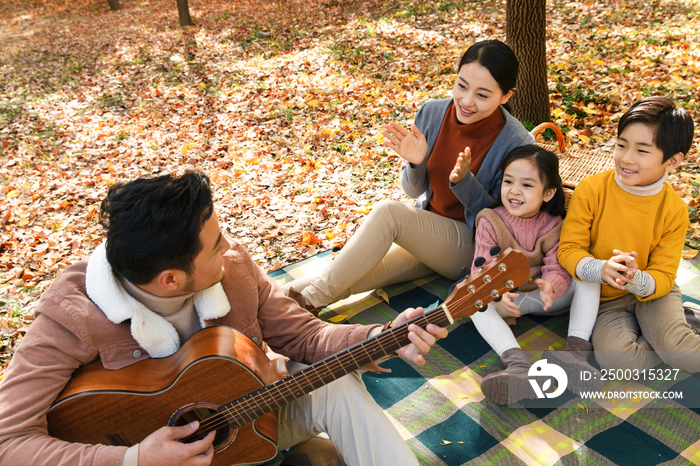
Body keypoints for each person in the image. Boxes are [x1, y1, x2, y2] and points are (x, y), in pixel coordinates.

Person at [0, 171, 448, 466]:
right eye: (214, 245)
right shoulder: (70, 313)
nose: (229, 247)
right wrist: (133, 458)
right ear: (171, 279)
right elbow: (9, 440)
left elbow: (305, 335)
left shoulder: (232, 268)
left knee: (336, 385)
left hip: (243, 422)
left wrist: (382, 335)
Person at [283, 39, 534, 312]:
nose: (467, 101)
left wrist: (465, 184)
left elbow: (503, 220)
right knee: (354, 271)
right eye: (462, 85)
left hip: (471, 245)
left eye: (483, 95)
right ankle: (274, 300)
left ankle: (310, 302)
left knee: (389, 214)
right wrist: (416, 163)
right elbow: (414, 192)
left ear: (507, 96)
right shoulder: (433, 112)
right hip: (428, 232)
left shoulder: (516, 143)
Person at [558, 96, 700, 373]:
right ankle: (675, 332)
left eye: (642, 151)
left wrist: (635, 279)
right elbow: (568, 250)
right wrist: (601, 269)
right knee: (618, 361)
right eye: (621, 145)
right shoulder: (591, 190)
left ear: (672, 161)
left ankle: (674, 337)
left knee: (685, 354)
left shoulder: (674, 211)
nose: (626, 158)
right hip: (606, 300)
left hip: (654, 294)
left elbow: (663, 275)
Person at [466, 145, 601, 404]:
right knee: (474, 301)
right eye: (508, 181)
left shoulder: (554, 224)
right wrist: (497, 292)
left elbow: (558, 266)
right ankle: (517, 365)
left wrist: (551, 286)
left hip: (545, 297)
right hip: (508, 300)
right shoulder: (490, 220)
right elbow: (482, 268)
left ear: (548, 193)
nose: (514, 191)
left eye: (527, 185)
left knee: (588, 274)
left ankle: (575, 352)